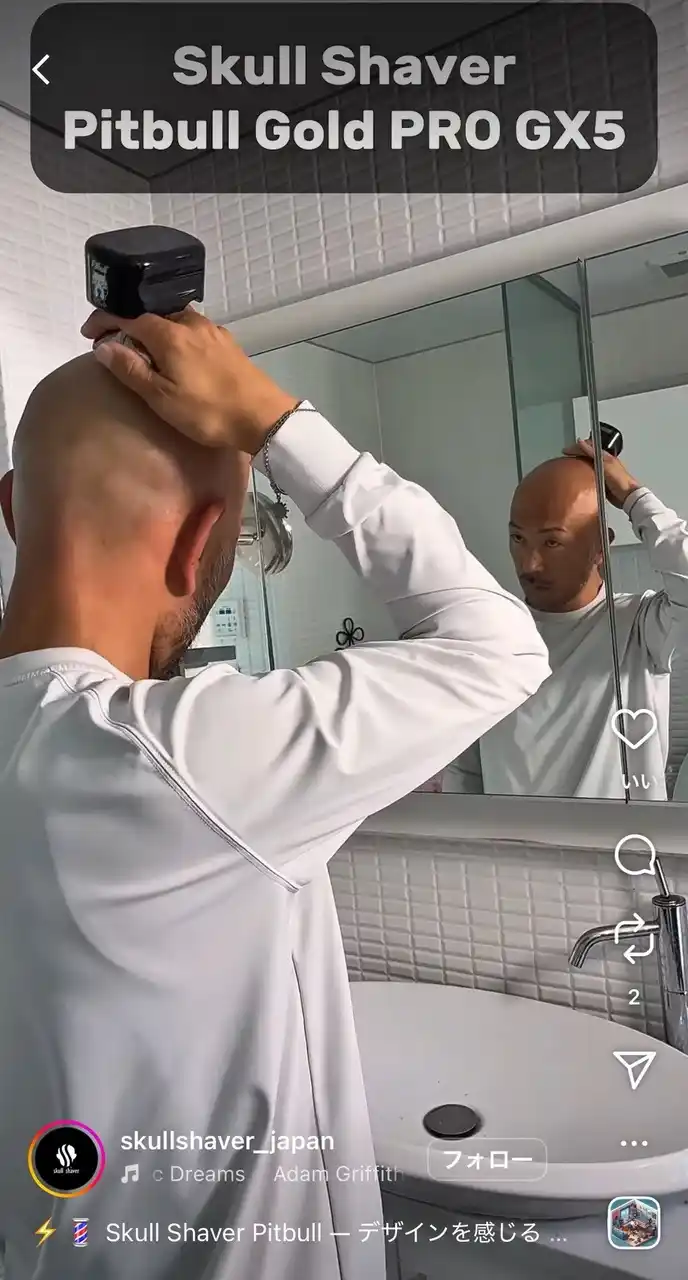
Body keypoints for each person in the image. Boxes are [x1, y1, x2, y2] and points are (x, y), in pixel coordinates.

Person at [0, 307, 550, 1280]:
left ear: (12, 509)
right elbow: (499, 647)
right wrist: (272, 420)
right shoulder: (171, 759)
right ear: (199, 543)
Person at [443, 440, 688, 799]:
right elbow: (464, 769)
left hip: (618, 837)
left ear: (600, 548)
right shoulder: (487, 637)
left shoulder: (638, 627)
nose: (529, 564)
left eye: (552, 543)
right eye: (518, 538)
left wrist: (632, 495)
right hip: (507, 836)